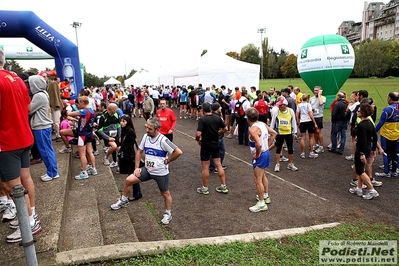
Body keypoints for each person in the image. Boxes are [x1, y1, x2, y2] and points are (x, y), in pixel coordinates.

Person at [0, 49, 42, 242]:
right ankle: (30, 217)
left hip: (7, 141)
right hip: (24, 136)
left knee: (12, 185)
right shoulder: (16, 79)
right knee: (25, 178)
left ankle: (28, 224)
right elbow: (26, 107)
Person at [111, 117, 182, 225]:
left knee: (165, 193)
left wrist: (168, 161)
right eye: (147, 128)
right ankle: (124, 200)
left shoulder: (163, 140)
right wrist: (137, 168)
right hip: (148, 170)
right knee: (129, 180)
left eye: (150, 129)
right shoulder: (146, 137)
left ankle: (168, 213)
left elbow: (178, 152)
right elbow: (139, 152)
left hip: (160, 173)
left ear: (157, 129)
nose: (147, 130)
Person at [28, 75, 60, 181]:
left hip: (41, 126)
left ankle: (52, 173)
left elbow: (29, 110)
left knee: (45, 150)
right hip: (44, 126)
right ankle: (53, 171)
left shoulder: (38, 96)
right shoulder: (44, 93)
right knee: (48, 149)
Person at [246, 107, 277, 212]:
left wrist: (257, 154)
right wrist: (267, 146)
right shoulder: (263, 124)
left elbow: (258, 144)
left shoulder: (253, 129)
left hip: (260, 155)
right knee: (263, 176)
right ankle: (266, 196)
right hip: (266, 153)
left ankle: (261, 203)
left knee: (257, 180)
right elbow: (274, 134)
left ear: (247, 118)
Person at [60, 96, 97, 179]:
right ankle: (93, 168)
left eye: (79, 103)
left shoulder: (83, 111)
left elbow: (68, 113)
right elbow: (84, 120)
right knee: (90, 152)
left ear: (83, 103)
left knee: (82, 154)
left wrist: (67, 106)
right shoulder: (91, 110)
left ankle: (84, 172)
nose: (77, 105)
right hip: (89, 134)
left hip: (82, 135)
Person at [196, 102, 229, 195]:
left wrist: (198, 140)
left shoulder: (202, 120)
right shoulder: (217, 117)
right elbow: (225, 128)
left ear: (203, 110)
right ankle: (223, 185)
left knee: (205, 166)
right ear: (210, 109)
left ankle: (205, 188)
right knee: (218, 164)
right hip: (215, 143)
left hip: (206, 145)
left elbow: (198, 133)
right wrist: (218, 133)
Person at [349, 103, 380, 199]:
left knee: (359, 170)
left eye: (358, 111)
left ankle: (371, 190)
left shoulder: (361, 125)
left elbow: (361, 140)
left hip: (361, 149)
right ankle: (359, 188)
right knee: (361, 168)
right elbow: (374, 137)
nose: (357, 112)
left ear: (362, 113)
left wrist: (361, 154)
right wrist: (373, 148)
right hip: (367, 148)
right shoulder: (370, 123)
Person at [117, 115, 142, 201]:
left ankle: (137, 194)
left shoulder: (130, 132)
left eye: (124, 121)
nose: (121, 123)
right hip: (127, 155)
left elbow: (129, 146)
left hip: (129, 156)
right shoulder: (124, 131)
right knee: (132, 176)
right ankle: (137, 193)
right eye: (121, 121)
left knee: (132, 177)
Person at [374, 91, 399, 178]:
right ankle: (394, 171)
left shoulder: (387, 109)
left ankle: (386, 172)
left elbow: (380, 123)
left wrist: (373, 132)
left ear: (390, 99)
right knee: (395, 152)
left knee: (385, 153)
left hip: (386, 135)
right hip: (396, 135)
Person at [270, 98, 298, 172]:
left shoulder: (290, 111)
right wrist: (271, 132)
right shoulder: (277, 112)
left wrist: (295, 132)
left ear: (284, 105)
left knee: (290, 148)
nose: (279, 107)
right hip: (279, 133)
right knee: (278, 148)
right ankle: (277, 164)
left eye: (280, 105)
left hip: (288, 133)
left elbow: (293, 122)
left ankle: (290, 164)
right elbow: (272, 122)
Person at [296, 94, 319, 159]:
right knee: (311, 137)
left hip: (302, 122)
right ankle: (311, 152)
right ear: (307, 99)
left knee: (303, 137)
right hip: (309, 121)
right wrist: (315, 123)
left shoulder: (299, 105)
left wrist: (298, 122)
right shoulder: (308, 105)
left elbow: (297, 115)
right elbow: (310, 114)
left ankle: (302, 153)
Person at [310, 86, 326, 154]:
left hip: (319, 116)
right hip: (313, 116)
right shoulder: (311, 98)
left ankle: (321, 146)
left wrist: (319, 95)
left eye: (317, 90)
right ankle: (316, 144)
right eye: (314, 90)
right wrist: (311, 108)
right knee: (314, 132)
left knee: (318, 131)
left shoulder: (323, 98)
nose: (315, 91)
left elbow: (321, 103)